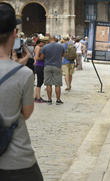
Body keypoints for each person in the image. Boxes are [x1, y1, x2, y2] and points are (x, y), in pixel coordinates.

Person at [0, 3, 43, 180]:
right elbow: (26, 113)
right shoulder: (24, 75)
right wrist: (18, 68)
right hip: (17, 161)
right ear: (14, 34)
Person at [40, 36, 64, 105]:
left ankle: (49, 100)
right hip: (57, 66)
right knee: (57, 84)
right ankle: (58, 100)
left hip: (47, 66)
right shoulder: (61, 46)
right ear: (55, 39)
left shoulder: (45, 47)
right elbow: (63, 55)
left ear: (50, 40)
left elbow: (42, 57)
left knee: (48, 84)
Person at [34, 36, 48, 103]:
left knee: (39, 82)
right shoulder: (38, 47)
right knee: (40, 82)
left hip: (39, 65)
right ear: (40, 42)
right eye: (43, 42)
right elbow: (36, 57)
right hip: (40, 65)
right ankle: (38, 98)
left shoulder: (37, 47)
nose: (44, 44)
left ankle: (36, 97)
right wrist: (42, 58)